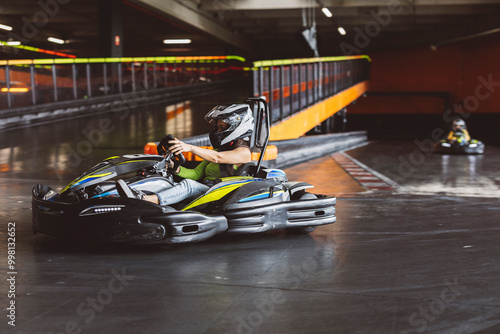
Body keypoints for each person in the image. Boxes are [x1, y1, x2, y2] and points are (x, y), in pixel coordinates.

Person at [116, 103, 254, 206]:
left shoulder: (243, 152)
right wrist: (175, 168)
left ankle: (144, 200)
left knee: (189, 185)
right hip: (206, 189)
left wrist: (189, 148)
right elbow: (195, 174)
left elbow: (217, 159)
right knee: (169, 183)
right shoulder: (219, 150)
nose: (217, 131)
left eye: (222, 128)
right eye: (217, 127)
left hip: (221, 194)